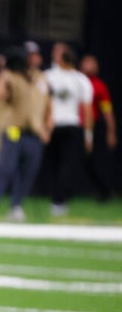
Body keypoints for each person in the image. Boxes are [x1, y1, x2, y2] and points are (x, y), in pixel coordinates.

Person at [0, 44, 51, 221]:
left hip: (35, 131)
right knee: (6, 167)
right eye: (29, 55)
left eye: (35, 55)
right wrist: (3, 70)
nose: (32, 59)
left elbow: (48, 104)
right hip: (14, 129)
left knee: (29, 170)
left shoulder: (41, 78)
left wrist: (47, 127)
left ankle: (16, 205)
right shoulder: (11, 76)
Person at [43, 42, 93, 216]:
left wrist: (88, 135)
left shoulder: (80, 79)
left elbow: (87, 110)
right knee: (56, 165)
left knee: (65, 166)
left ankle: (59, 200)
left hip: (68, 127)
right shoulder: (49, 76)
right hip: (56, 127)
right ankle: (57, 200)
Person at [80, 54, 117, 202]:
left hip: (94, 127)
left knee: (94, 162)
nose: (89, 66)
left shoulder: (99, 86)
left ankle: (105, 192)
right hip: (75, 127)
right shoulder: (75, 81)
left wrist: (111, 131)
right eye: (87, 63)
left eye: (92, 63)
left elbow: (107, 111)